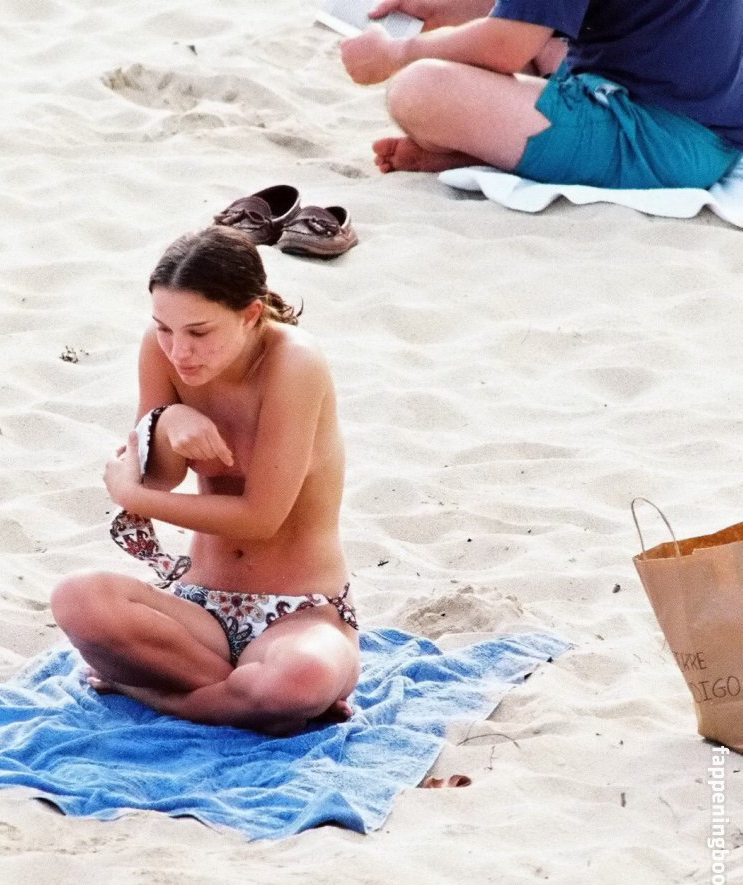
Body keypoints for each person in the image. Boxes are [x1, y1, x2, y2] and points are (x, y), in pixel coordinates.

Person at [50, 226, 360, 736]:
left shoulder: (294, 362)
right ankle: (244, 700)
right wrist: (166, 420)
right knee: (76, 598)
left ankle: (153, 692)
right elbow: (161, 478)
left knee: (300, 678)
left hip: (300, 615)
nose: (179, 351)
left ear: (250, 314)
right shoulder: (163, 352)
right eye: (164, 329)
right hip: (199, 608)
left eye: (199, 332)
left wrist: (129, 495)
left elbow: (261, 518)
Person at [341, 0, 743, 189]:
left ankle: (486, 152)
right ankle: (491, 150)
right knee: (544, 45)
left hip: (658, 138)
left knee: (419, 89)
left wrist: (396, 53)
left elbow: (506, 48)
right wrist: (444, 9)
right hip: (700, 114)